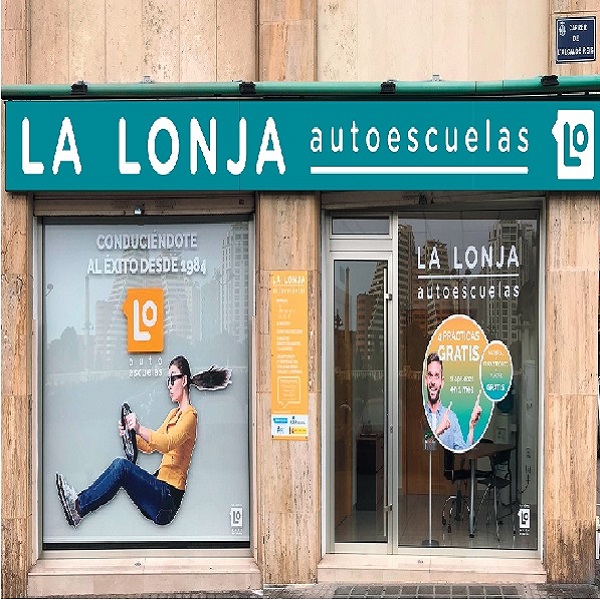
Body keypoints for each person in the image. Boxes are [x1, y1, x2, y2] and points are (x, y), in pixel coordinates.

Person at [56, 356, 231, 528]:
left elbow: (166, 443)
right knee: (121, 470)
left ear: (183, 380)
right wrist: (130, 434)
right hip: (159, 489)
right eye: (168, 380)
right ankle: (78, 506)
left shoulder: (190, 416)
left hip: (167, 500)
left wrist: (139, 428)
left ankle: (78, 507)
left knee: (121, 466)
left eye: (172, 379)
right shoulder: (173, 415)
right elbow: (149, 446)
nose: (169, 385)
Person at [423, 352, 482, 451]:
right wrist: (438, 431)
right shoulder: (420, 415)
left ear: (442, 382)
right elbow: (426, 451)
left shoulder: (451, 418)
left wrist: (471, 427)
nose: (432, 382)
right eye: (430, 375)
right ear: (426, 380)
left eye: (437, 376)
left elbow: (463, 452)